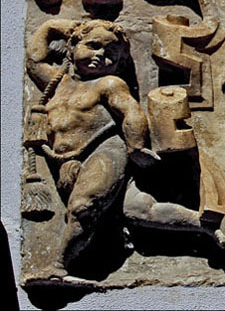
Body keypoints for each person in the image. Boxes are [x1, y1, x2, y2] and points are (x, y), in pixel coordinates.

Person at [25, 19, 158, 282]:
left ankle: (58, 267)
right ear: (72, 47)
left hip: (105, 150)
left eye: (111, 53)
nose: (100, 55)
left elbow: (131, 112)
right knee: (139, 209)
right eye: (93, 45)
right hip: (68, 163)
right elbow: (33, 59)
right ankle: (208, 225)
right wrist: (52, 26)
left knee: (82, 207)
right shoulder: (57, 84)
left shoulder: (108, 84)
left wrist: (136, 146)